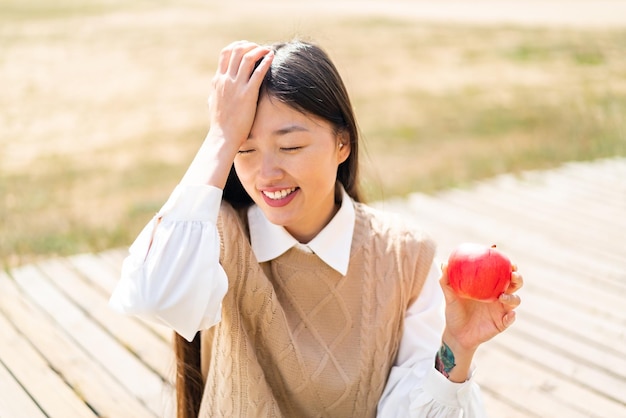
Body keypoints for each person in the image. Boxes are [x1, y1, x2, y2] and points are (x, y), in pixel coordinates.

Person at [109, 39, 523, 418]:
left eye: (290, 146)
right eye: (245, 149)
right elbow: (151, 296)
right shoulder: (218, 236)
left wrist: (458, 345)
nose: (267, 174)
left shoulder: (404, 256)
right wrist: (220, 136)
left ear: (342, 143)